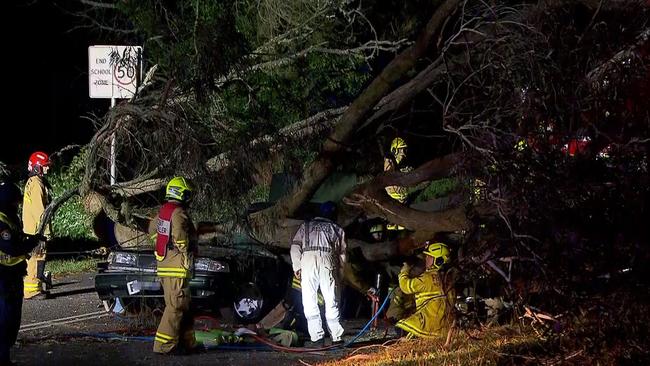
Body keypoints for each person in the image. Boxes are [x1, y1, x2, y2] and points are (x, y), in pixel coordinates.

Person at [152, 177, 198, 355]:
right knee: (176, 306)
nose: (189, 198)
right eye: (187, 194)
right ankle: (164, 346)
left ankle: (186, 342)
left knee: (184, 305)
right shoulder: (178, 213)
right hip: (176, 266)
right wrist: (185, 249)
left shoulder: (164, 211)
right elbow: (180, 236)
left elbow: (152, 230)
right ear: (181, 194)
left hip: (165, 265)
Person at [290, 201, 346, 346]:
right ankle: (337, 338)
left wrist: (297, 267)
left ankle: (317, 338)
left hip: (307, 261)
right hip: (329, 261)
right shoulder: (337, 229)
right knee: (331, 299)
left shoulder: (306, 226)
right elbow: (342, 255)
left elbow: (295, 246)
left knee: (309, 300)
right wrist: (340, 274)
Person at [0, 180, 41, 365]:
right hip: (2, 278)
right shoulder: (0, 221)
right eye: (15, 202)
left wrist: (33, 238)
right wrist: (31, 244)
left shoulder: (11, 218)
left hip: (15, 276)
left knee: (12, 322)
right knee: (4, 322)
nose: (17, 205)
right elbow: (11, 247)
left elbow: (18, 237)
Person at [395, 242, 453, 338]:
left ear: (438, 261)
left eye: (429, 257)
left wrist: (404, 272)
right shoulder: (448, 280)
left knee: (400, 327)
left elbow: (406, 287)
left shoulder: (427, 278)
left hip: (429, 323)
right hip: (445, 327)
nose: (426, 259)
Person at [22, 152, 52, 300]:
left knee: (36, 259)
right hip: (36, 230)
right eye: (45, 167)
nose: (47, 170)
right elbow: (41, 211)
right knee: (37, 259)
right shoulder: (37, 184)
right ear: (36, 168)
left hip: (31, 229)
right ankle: (32, 291)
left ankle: (36, 287)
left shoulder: (33, 182)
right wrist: (45, 232)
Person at [383, 137, 413, 231]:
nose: (403, 153)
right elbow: (388, 178)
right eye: (401, 150)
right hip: (394, 197)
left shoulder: (403, 163)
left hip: (402, 197)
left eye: (405, 150)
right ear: (394, 150)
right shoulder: (389, 161)